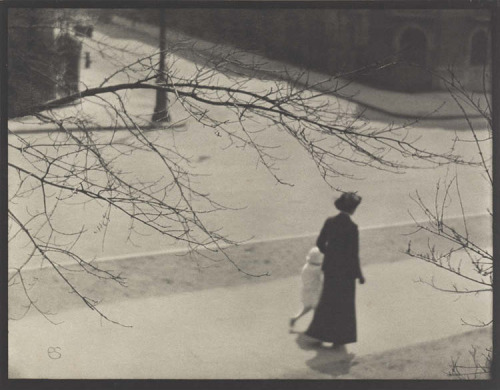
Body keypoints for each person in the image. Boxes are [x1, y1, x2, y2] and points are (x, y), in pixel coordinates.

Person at [304, 192, 365, 348]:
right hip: (346, 272)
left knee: (327, 302)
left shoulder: (330, 222)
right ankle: (339, 339)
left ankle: (319, 335)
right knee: (344, 306)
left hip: (331, 269)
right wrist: (359, 275)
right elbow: (353, 254)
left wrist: (330, 255)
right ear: (352, 209)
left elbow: (320, 242)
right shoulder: (352, 227)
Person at [289, 246, 324, 328]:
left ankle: (295, 318)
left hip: (306, 291)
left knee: (308, 307)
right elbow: (322, 280)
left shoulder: (306, 266)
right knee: (318, 311)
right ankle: (315, 329)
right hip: (315, 292)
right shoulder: (317, 269)